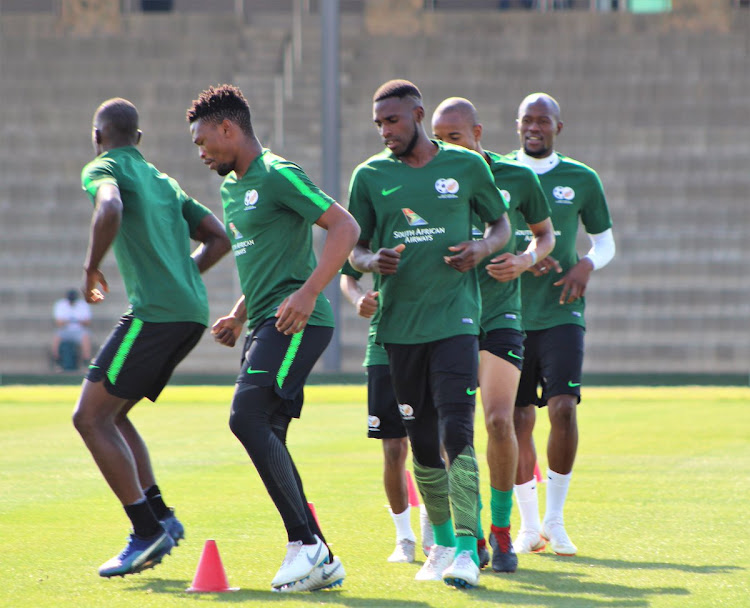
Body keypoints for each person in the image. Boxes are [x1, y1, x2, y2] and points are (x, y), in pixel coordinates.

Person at [186, 84, 360, 592]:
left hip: (298, 324)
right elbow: (265, 261)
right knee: (269, 433)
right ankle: (316, 554)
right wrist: (240, 314)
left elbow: (344, 227)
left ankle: (309, 547)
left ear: (228, 128)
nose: (200, 153)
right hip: (263, 324)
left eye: (203, 142)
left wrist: (308, 293)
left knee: (247, 417)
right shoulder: (231, 188)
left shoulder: (279, 174)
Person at [348, 79, 510, 589]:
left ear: (417, 115)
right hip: (398, 330)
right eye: (378, 124)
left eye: (392, 121)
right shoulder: (370, 176)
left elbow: (501, 226)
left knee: (457, 431)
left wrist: (483, 250)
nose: (385, 131)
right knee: (419, 443)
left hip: (456, 322)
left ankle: (467, 547)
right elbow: (353, 252)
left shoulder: (466, 165)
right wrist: (374, 260)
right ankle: (439, 544)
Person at [72, 98, 231, 578]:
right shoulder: (164, 180)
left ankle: (145, 531)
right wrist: (184, 276)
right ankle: (160, 514)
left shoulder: (101, 167)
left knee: (88, 417)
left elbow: (110, 207)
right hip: (189, 313)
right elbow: (219, 239)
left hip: (156, 313)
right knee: (113, 415)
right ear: (138, 139)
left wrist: (92, 265)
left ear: (98, 136)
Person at [431, 97, 556, 573]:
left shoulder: (517, 177)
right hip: (448, 316)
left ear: (478, 133)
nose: (445, 146)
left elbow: (545, 235)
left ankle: (502, 532)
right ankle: (470, 531)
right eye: (438, 138)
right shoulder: (431, 179)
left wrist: (525, 258)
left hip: (501, 314)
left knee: (500, 421)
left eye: (455, 137)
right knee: (452, 433)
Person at [507, 93, 615, 556]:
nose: (534, 127)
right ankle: (528, 526)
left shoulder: (581, 178)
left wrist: (586, 265)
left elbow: (606, 242)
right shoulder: (499, 174)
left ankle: (555, 518)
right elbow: (483, 233)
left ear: (558, 128)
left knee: (564, 409)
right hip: (507, 312)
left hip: (561, 312)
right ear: (517, 125)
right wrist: (522, 259)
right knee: (516, 420)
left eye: (543, 121)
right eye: (527, 120)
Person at [339, 261, 434, 563]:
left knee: (432, 445)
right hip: (383, 346)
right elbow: (348, 276)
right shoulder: (376, 218)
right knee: (393, 448)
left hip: (432, 340)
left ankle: (434, 528)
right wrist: (358, 299)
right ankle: (403, 537)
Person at [52, 288, 93, 369]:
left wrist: (70, 321)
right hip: (65, 330)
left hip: (79, 330)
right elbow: (59, 323)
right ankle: (56, 361)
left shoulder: (83, 305)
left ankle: (86, 362)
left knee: (85, 338)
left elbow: (87, 322)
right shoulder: (60, 304)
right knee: (56, 338)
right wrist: (75, 321)